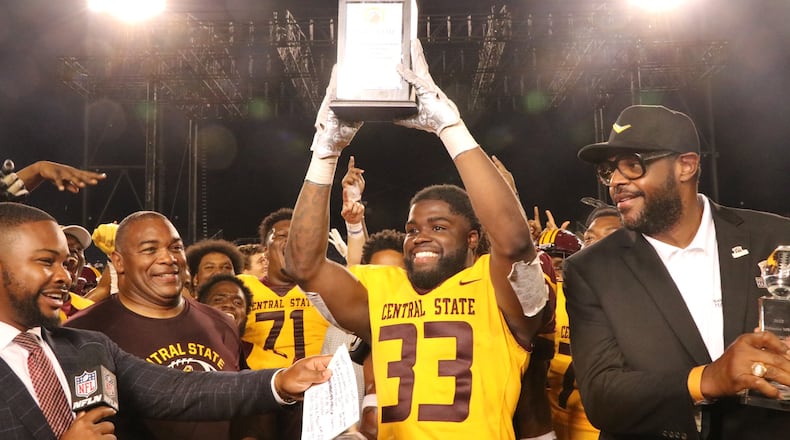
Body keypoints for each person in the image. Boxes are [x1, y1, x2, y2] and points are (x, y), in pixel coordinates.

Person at [285, 40, 549, 439]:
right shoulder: (384, 287)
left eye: (438, 227)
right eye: (412, 229)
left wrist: (450, 127)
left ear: (473, 238)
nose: (419, 237)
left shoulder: (495, 288)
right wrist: (324, 152)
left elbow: (513, 244)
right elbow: (304, 266)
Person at [0, 202, 332, 440]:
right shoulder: (87, 326)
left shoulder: (85, 346)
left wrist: (281, 381)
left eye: (65, 263)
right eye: (46, 262)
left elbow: (179, 389)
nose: (65, 277)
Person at [564, 104, 790, 439]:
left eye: (632, 165)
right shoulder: (591, 268)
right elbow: (602, 395)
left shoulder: (775, 238)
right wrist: (707, 379)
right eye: (608, 170)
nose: (615, 182)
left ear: (685, 166)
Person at [65, 211, 254, 439]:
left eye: (176, 248)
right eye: (150, 250)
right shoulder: (82, 332)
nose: (168, 258)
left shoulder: (222, 324)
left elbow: (245, 410)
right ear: (118, 261)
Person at [238, 208, 331, 439]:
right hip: (261, 390)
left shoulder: (325, 288)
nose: (291, 241)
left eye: (299, 235)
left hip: (316, 392)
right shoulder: (241, 287)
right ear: (265, 250)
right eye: (282, 235)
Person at [59, 225, 96, 321]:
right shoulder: (28, 310)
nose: (74, 255)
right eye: (65, 247)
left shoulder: (89, 308)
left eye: (79, 249)